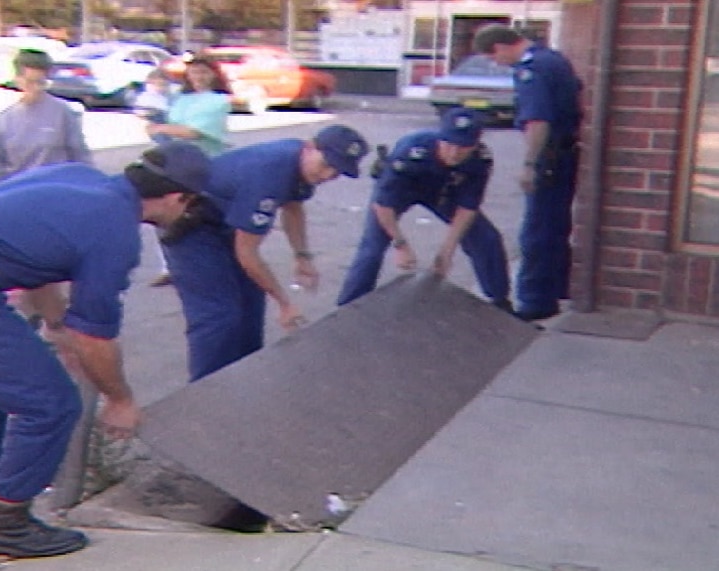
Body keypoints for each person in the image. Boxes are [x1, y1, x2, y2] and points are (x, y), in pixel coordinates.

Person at [0, 141, 211, 559]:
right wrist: (119, 399)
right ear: (176, 197)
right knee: (50, 404)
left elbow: (36, 259)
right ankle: (7, 523)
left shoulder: (84, 179)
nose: (185, 217)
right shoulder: (115, 231)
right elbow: (94, 334)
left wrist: (58, 328)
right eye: (190, 207)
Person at [162, 124, 369, 382]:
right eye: (327, 164)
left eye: (338, 171)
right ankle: (205, 388)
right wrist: (284, 303)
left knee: (252, 303)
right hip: (192, 228)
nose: (329, 174)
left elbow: (293, 207)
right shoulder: (270, 174)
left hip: (228, 223)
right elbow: (247, 252)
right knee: (220, 315)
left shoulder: (302, 168)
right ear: (310, 146)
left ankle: (244, 377)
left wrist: (302, 256)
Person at [336, 108, 512, 311]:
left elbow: (467, 208)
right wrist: (400, 244)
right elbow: (383, 205)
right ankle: (349, 306)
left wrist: (446, 252)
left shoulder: (480, 160)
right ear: (440, 137)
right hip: (403, 189)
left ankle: (499, 302)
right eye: (449, 144)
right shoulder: (412, 151)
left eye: (463, 147)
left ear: (476, 143)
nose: (454, 153)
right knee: (372, 247)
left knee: (486, 237)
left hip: (443, 191)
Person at [473, 24, 583, 321]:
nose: (497, 63)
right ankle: (558, 287)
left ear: (500, 47)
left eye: (494, 58)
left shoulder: (529, 70)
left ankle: (536, 301)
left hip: (550, 155)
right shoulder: (552, 58)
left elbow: (537, 121)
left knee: (538, 229)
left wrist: (530, 164)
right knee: (557, 225)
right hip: (567, 151)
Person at [145, 55, 232, 286]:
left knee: (200, 216)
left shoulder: (218, 100)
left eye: (204, 72)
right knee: (164, 213)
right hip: (173, 162)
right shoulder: (180, 99)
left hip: (203, 164)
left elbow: (194, 132)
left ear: (214, 74)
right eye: (194, 72)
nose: (199, 78)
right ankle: (171, 265)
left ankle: (209, 265)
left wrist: (161, 127)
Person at [0, 48, 92, 188]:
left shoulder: (63, 113)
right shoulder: (3, 121)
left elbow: (80, 158)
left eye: (42, 82)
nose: (37, 88)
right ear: (18, 80)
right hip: (20, 193)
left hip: (57, 191)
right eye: (31, 82)